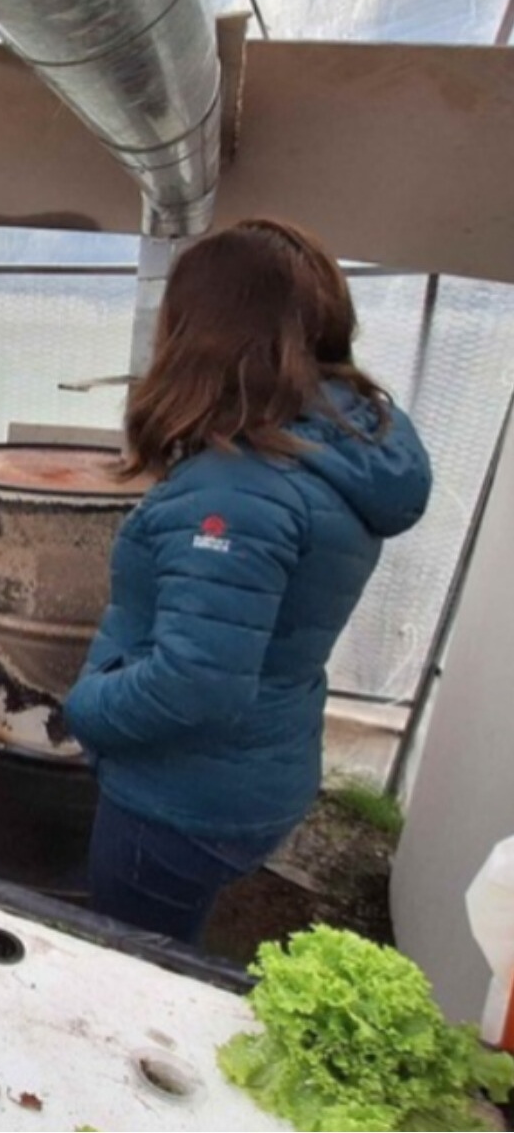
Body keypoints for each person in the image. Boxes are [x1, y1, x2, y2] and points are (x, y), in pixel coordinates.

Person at [63, 217, 432, 945]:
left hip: (178, 796)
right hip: (257, 765)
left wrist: (85, 707)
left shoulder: (235, 490)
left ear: (206, 334)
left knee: (131, 964)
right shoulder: (329, 453)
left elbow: (193, 684)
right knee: (172, 942)